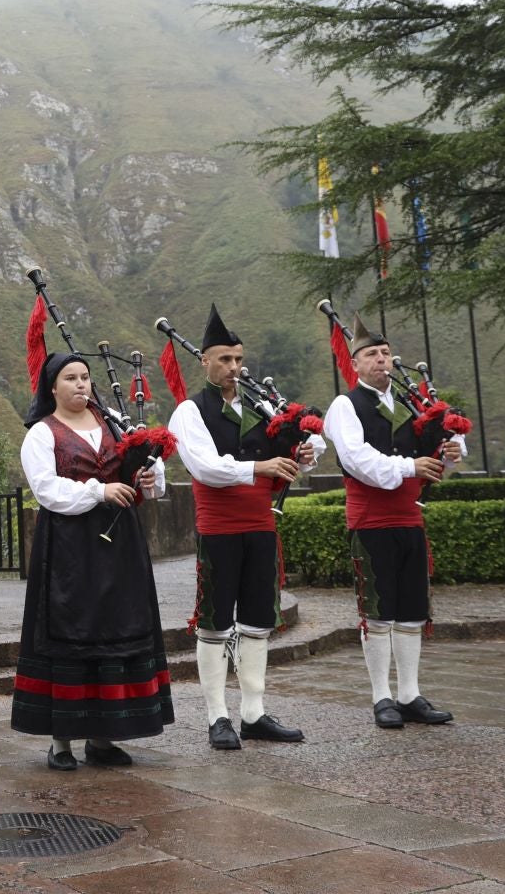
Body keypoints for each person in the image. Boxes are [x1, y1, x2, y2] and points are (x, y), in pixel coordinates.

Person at [11, 351, 174, 769]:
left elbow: (146, 483)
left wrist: (148, 478)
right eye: (70, 378)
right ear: (52, 387)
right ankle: (61, 742)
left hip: (120, 547)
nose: (80, 384)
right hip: (69, 549)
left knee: (115, 630)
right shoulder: (42, 434)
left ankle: (103, 738)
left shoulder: (114, 424)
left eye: (84, 377)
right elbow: (46, 490)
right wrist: (99, 491)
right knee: (72, 632)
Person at [168, 306, 319, 751]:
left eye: (238, 359)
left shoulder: (262, 407)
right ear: (205, 361)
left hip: (260, 526)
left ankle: (253, 714)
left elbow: (300, 453)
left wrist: (303, 455)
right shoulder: (190, 412)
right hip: (219, 528)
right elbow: (206, 467)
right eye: (224, 359)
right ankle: (217, 717)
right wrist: (260, 467)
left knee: (257, 621)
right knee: (214, 622)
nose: (233, 367)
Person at [321, 317, 464, 730]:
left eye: (385, 353)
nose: (381, 360)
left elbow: (436, 457)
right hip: (371, 520)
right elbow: (356, 459)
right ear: (355, 364)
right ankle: (381, 696)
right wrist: (408, 465)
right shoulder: (346, 406)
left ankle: (409, 695)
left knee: (412, 610)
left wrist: (450, 451)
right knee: (379, 611)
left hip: (409, 517)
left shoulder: (410, 404)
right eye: (371, 354)